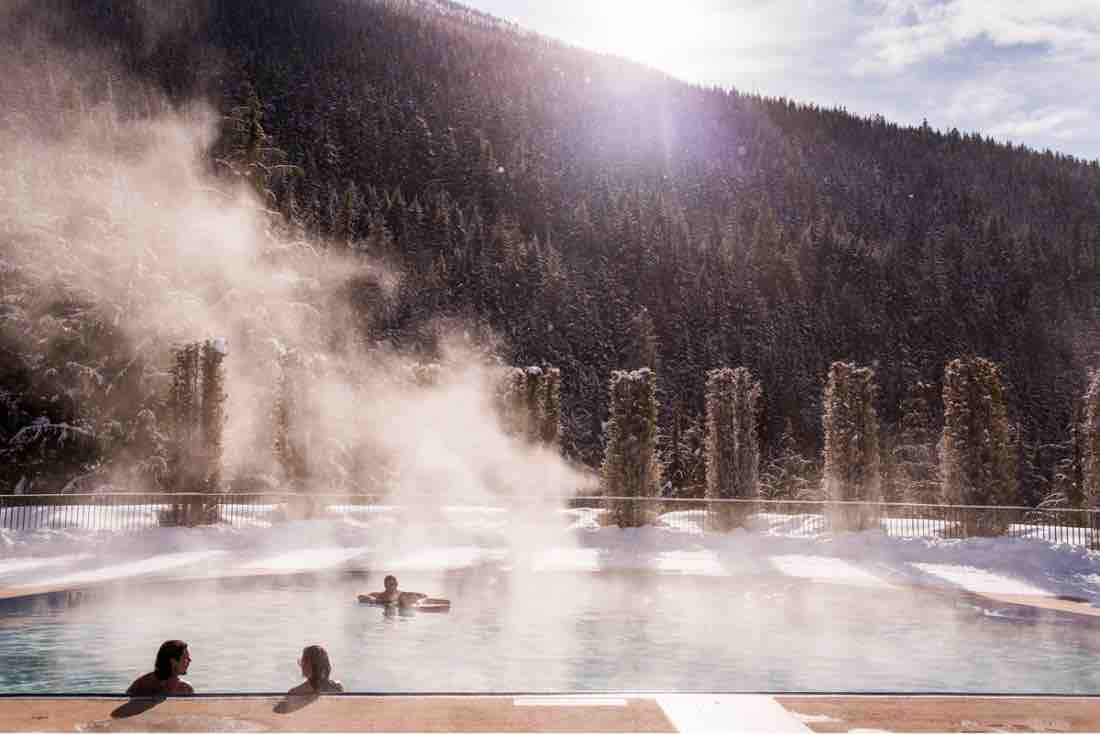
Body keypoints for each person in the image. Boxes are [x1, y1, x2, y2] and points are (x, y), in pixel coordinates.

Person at [126, 640, 193, 697]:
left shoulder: (140, 684)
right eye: (186, 658)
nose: (190, 660)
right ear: (173, 661)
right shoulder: (184, 688)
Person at [363, 575, 427, 607]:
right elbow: (361, 596)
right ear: (385, 585)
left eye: (394, 584)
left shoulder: (401, 594)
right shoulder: (379, 595)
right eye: (390, 584)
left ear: (397, 584)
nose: (393, 586)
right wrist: (374, 601)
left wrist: (417, 601)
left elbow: (424, 596)